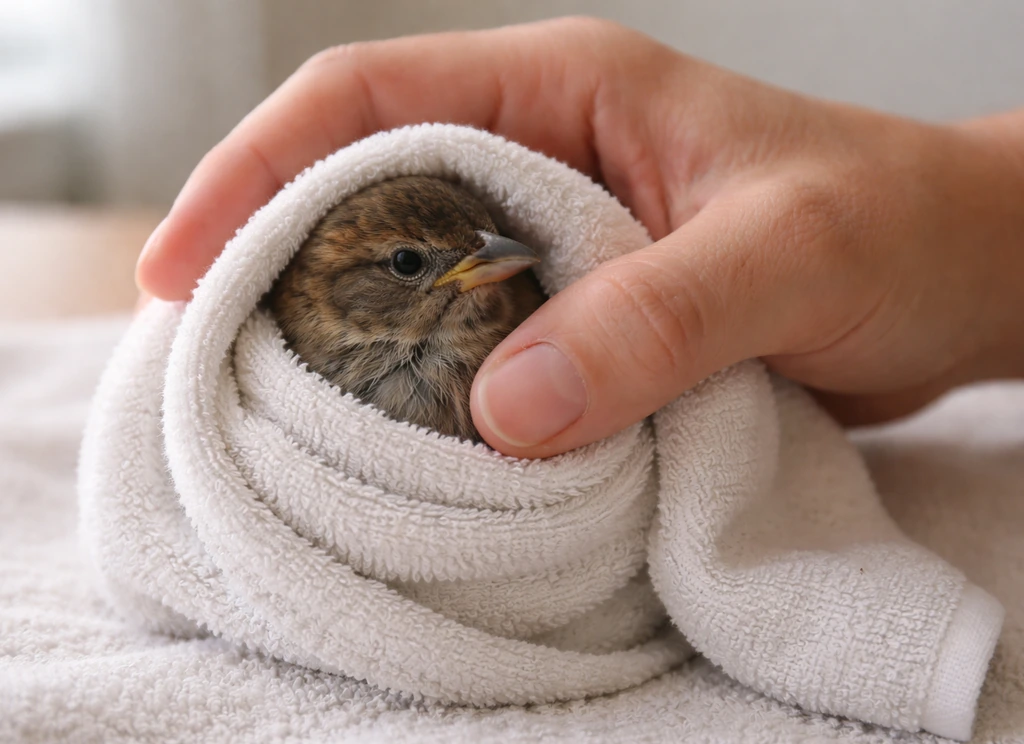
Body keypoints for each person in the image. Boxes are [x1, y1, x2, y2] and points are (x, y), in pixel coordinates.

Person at [134, 17, 1024, 459]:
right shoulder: (296, 343)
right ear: (338, 290)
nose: (491, 269)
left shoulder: (514, 306)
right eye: (412, 266)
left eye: (481, 249)